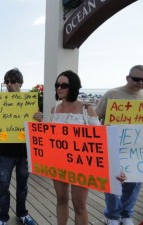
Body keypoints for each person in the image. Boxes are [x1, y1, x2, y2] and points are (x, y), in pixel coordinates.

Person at [49, 70, 100, 225]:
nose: (59, 88)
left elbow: (99, 139)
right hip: (59, 162)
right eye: (57, 85)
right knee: (61, 200)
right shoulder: (54, 110)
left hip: (81, 164)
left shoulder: (86, 110)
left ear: (74, 87)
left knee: (79, 207)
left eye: (64, 85)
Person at [95, 65, 143, 225]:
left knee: (135, 182)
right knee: (113, 182)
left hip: (136, 149)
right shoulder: (112, 94)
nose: (140, 83)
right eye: (136, 79)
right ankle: (112, 216)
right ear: (127, 78)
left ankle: (126, 214)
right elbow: (96, 117)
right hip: (113, 146)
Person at [0, 68, 36, 225]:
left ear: (21, 83)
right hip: (5, 152)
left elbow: (36, 127)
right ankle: (2, 217)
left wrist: (37, 118)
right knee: (3, 185)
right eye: (6, 82)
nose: (9, 85)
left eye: (12, 81)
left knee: (22, 186)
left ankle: (22, 213)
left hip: (24, 152)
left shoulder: (30, 104)